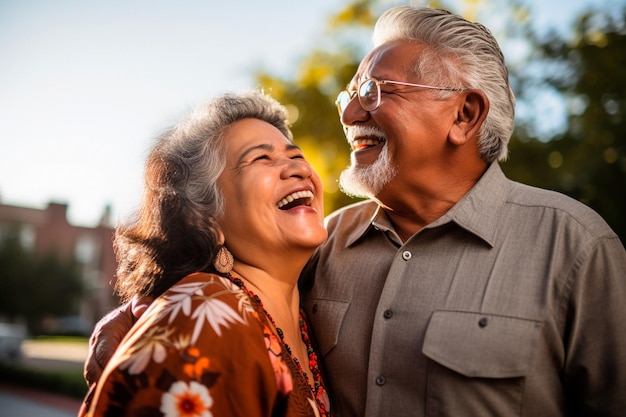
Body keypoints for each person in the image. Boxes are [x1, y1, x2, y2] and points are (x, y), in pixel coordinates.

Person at [85, 6, 626, 417]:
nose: (348, 111)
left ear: (464, 115)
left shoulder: (577, 249)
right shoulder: (324, 241)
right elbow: (225, 284)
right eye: (350, 91)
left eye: (374, 90)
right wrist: (142, 316)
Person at [79, 90, 331, 417]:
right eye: (261, 158)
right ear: (206, 219)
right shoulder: (206, 320)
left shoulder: (298, 320)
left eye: (296, 156)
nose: (296, 169)